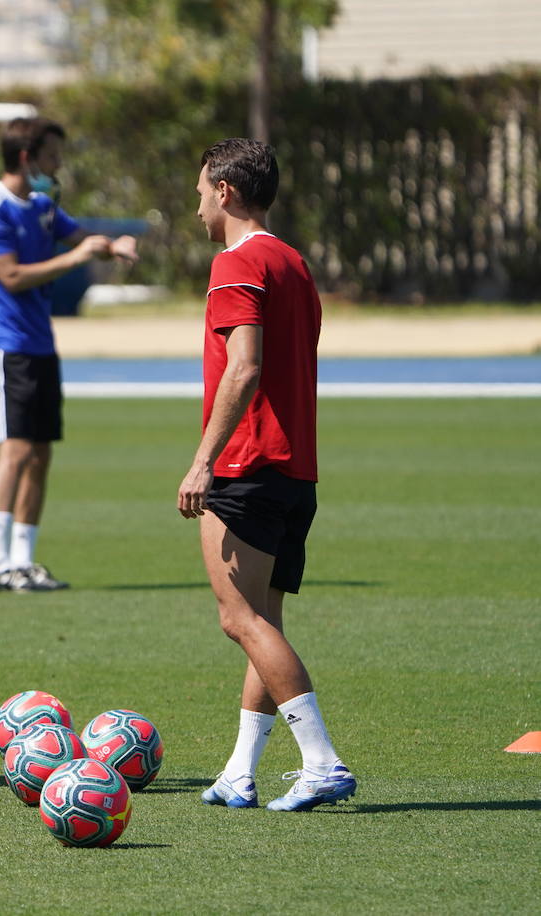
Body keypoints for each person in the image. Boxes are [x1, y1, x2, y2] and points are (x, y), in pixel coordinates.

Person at [178, 138, 357, 811]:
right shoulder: (293, 262)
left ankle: (322, 762)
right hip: (294, 471)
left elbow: (245, 366)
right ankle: (239, 772)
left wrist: (203, 460)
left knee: (240, 619)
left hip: (246, 465)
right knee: (265, 621)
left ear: (225, 191)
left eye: (201, 192)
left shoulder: (237, 263)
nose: (197, 207)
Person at [0, 117, 137, 592]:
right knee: (16, 449)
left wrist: (113, 246)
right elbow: (11, 277)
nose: (59, 164)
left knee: (40, 453)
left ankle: (23, 560)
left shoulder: (42, 206)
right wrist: (77, 258)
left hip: (41, 344)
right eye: (52, 156)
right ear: (27, 157)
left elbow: (82, 240)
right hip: (8, 346)